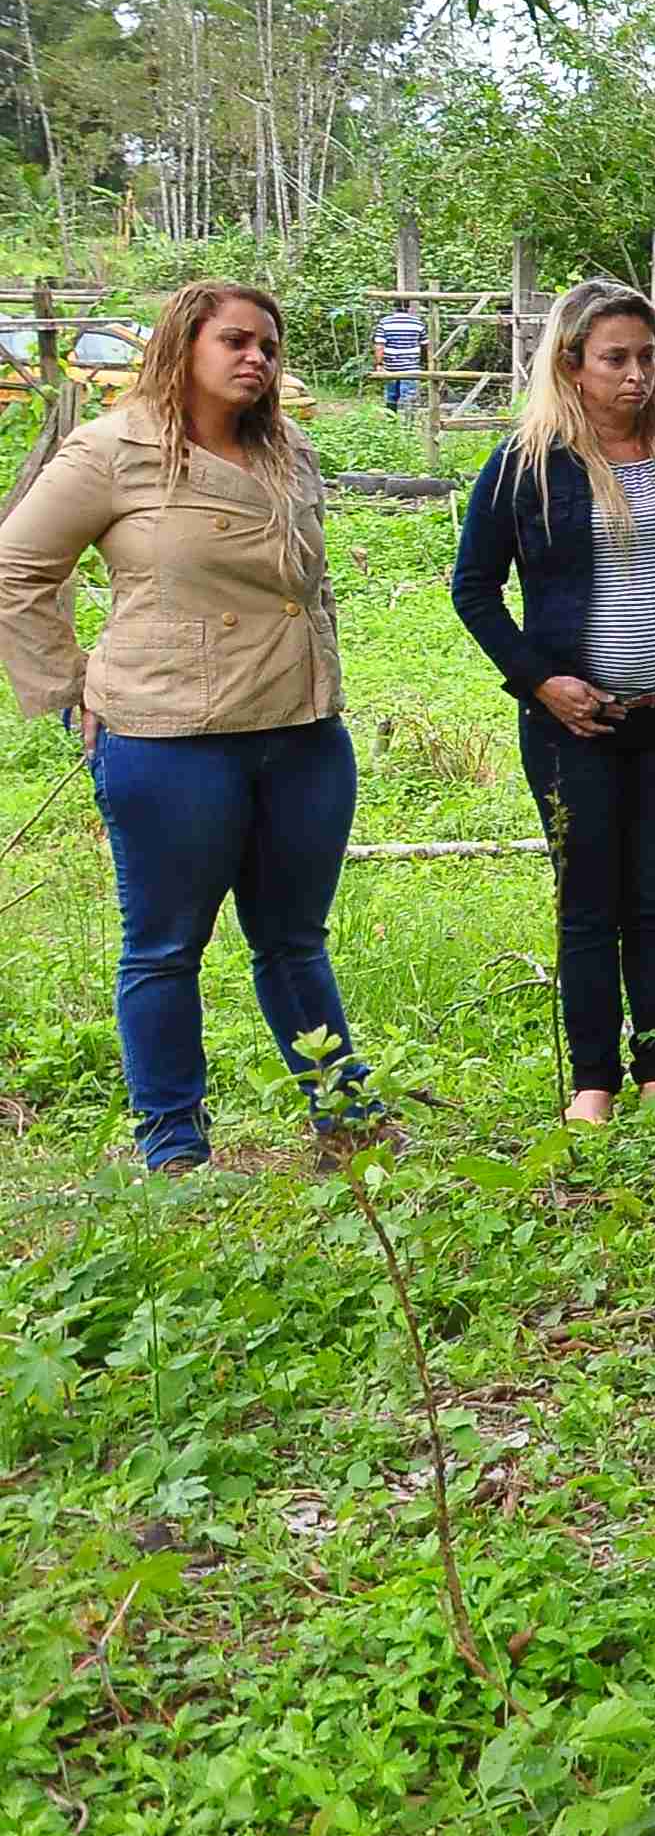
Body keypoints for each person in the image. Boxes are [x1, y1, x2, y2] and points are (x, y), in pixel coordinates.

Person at [0, 280, 386, 1171]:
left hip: (301, 730)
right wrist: (69, 690)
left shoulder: (289, 450)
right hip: (170, 736)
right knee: (166, 947)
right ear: (183, 348)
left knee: (293, 938)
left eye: (270, 346)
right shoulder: (111, 451)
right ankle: (174, 1147)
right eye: (237, 343)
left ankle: (347, 1121)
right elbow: (19, 571)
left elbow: (308, 592)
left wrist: (324, 684)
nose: (259, 359)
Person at [449, 283, 655, 1127]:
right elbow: (474, 589)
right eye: (616, 359)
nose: (637, 376)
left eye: (648, 357)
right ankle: (593, 1083)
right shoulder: (528, 464)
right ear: (570, 364)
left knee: (653, 897)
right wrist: (539, 680)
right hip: (574, 726)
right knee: (587, 899)